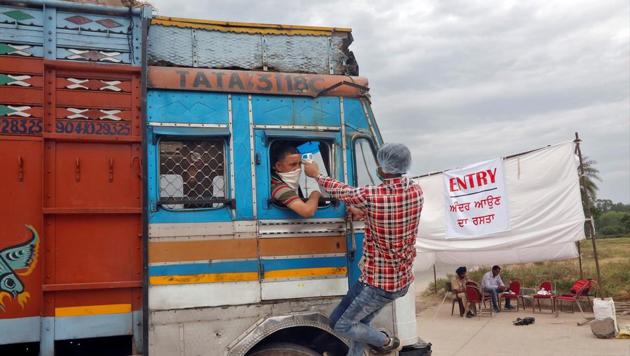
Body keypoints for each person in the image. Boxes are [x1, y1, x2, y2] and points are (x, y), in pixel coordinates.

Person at [303, 143, 423, 355]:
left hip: (376, 283)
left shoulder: (371, 196)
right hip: (401, 280)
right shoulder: (415, 191)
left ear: (383, 167)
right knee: (361, 324)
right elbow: (395, 218)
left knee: (340, 324)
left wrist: (316, 175)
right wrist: (366, 214)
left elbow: (341, 190)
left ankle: (384, 341)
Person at [270, 142, 321, 218]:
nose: (298, 168)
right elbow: (307, 211)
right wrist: (315, 194)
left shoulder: (292, 185)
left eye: (300, 164)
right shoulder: (276, 186)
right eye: (293, 164)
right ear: (278, 166)